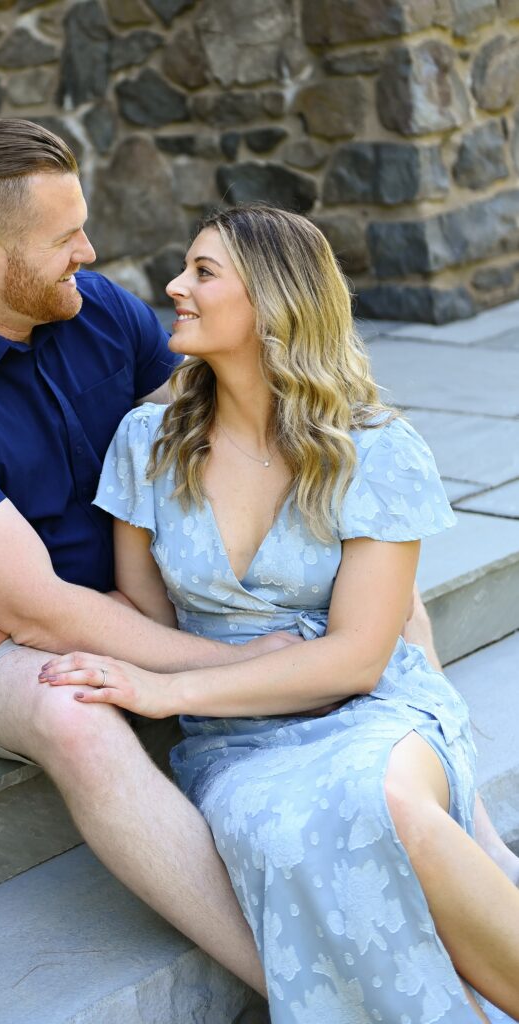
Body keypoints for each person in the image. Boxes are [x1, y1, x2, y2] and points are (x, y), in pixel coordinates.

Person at [0, 118, 516, 1010]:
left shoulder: (93, 310)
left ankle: (474, 831)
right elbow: (44, 609)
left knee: (375, 585)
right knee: (69, 706)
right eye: (65, 237)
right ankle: (303, 984)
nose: (90, 253)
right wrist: (223, 662)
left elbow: (219, 409)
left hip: (97, 602)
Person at [37, 205, 519, 1021]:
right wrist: (10, 610)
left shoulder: (374, 448)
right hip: (238, 743)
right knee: (293, 834)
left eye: (202, 272)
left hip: (371, 709)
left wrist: (167, 692)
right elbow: (142, 614)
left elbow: (357, 659)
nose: (174, 287)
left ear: (271, 300)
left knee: (386, 801)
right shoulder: (146, 443)